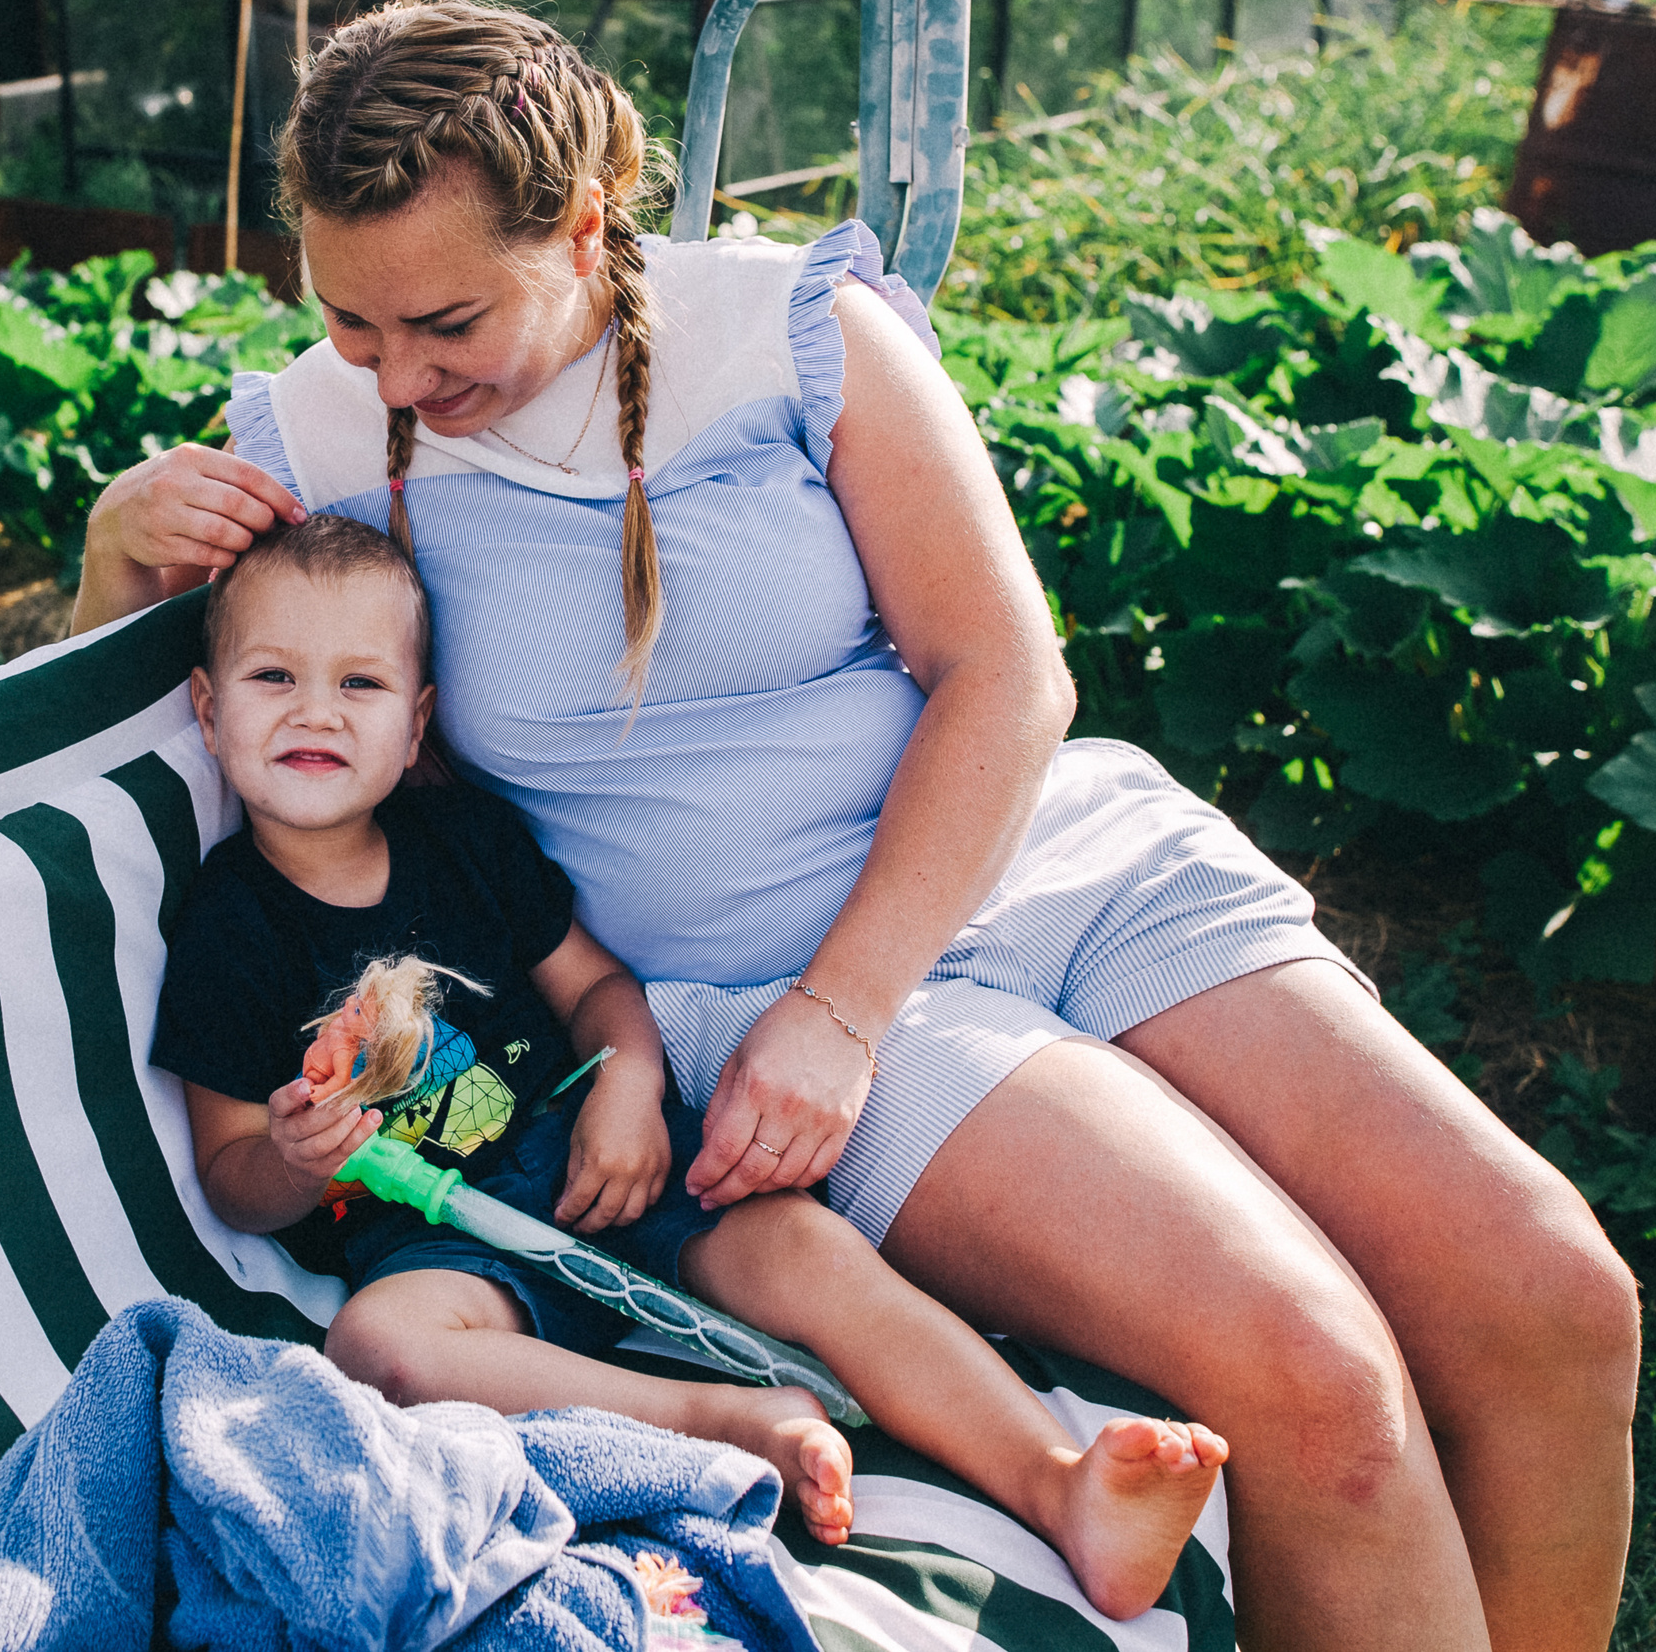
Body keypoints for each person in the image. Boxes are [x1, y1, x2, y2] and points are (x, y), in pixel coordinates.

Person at [76, 0, 1641, 1652]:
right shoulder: (319, 442)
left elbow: (1004, 674)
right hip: (761, 985)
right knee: (1318, 1384)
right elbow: (114, 735)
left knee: (1549, 1291)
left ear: (589, 224)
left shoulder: (792, 330)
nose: (396, 371)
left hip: (1037, 876)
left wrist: (849, 1014)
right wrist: (113, 563)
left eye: (445, 319)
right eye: (348, 319)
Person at [153, 514, 1228, 1621]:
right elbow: (231, 1166)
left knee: (805, 1249)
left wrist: (623, 1084)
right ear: (207, 705)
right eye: (273, 674)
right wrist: (291, 1156)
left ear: (417, 718)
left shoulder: (459, 841)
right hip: (442, 1236)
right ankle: (708, 1420)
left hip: (596, 1150)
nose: (315, 709)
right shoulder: (230, 928)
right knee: (377, 1344)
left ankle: (1060, 1485)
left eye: (361, 683)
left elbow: (601, 991)